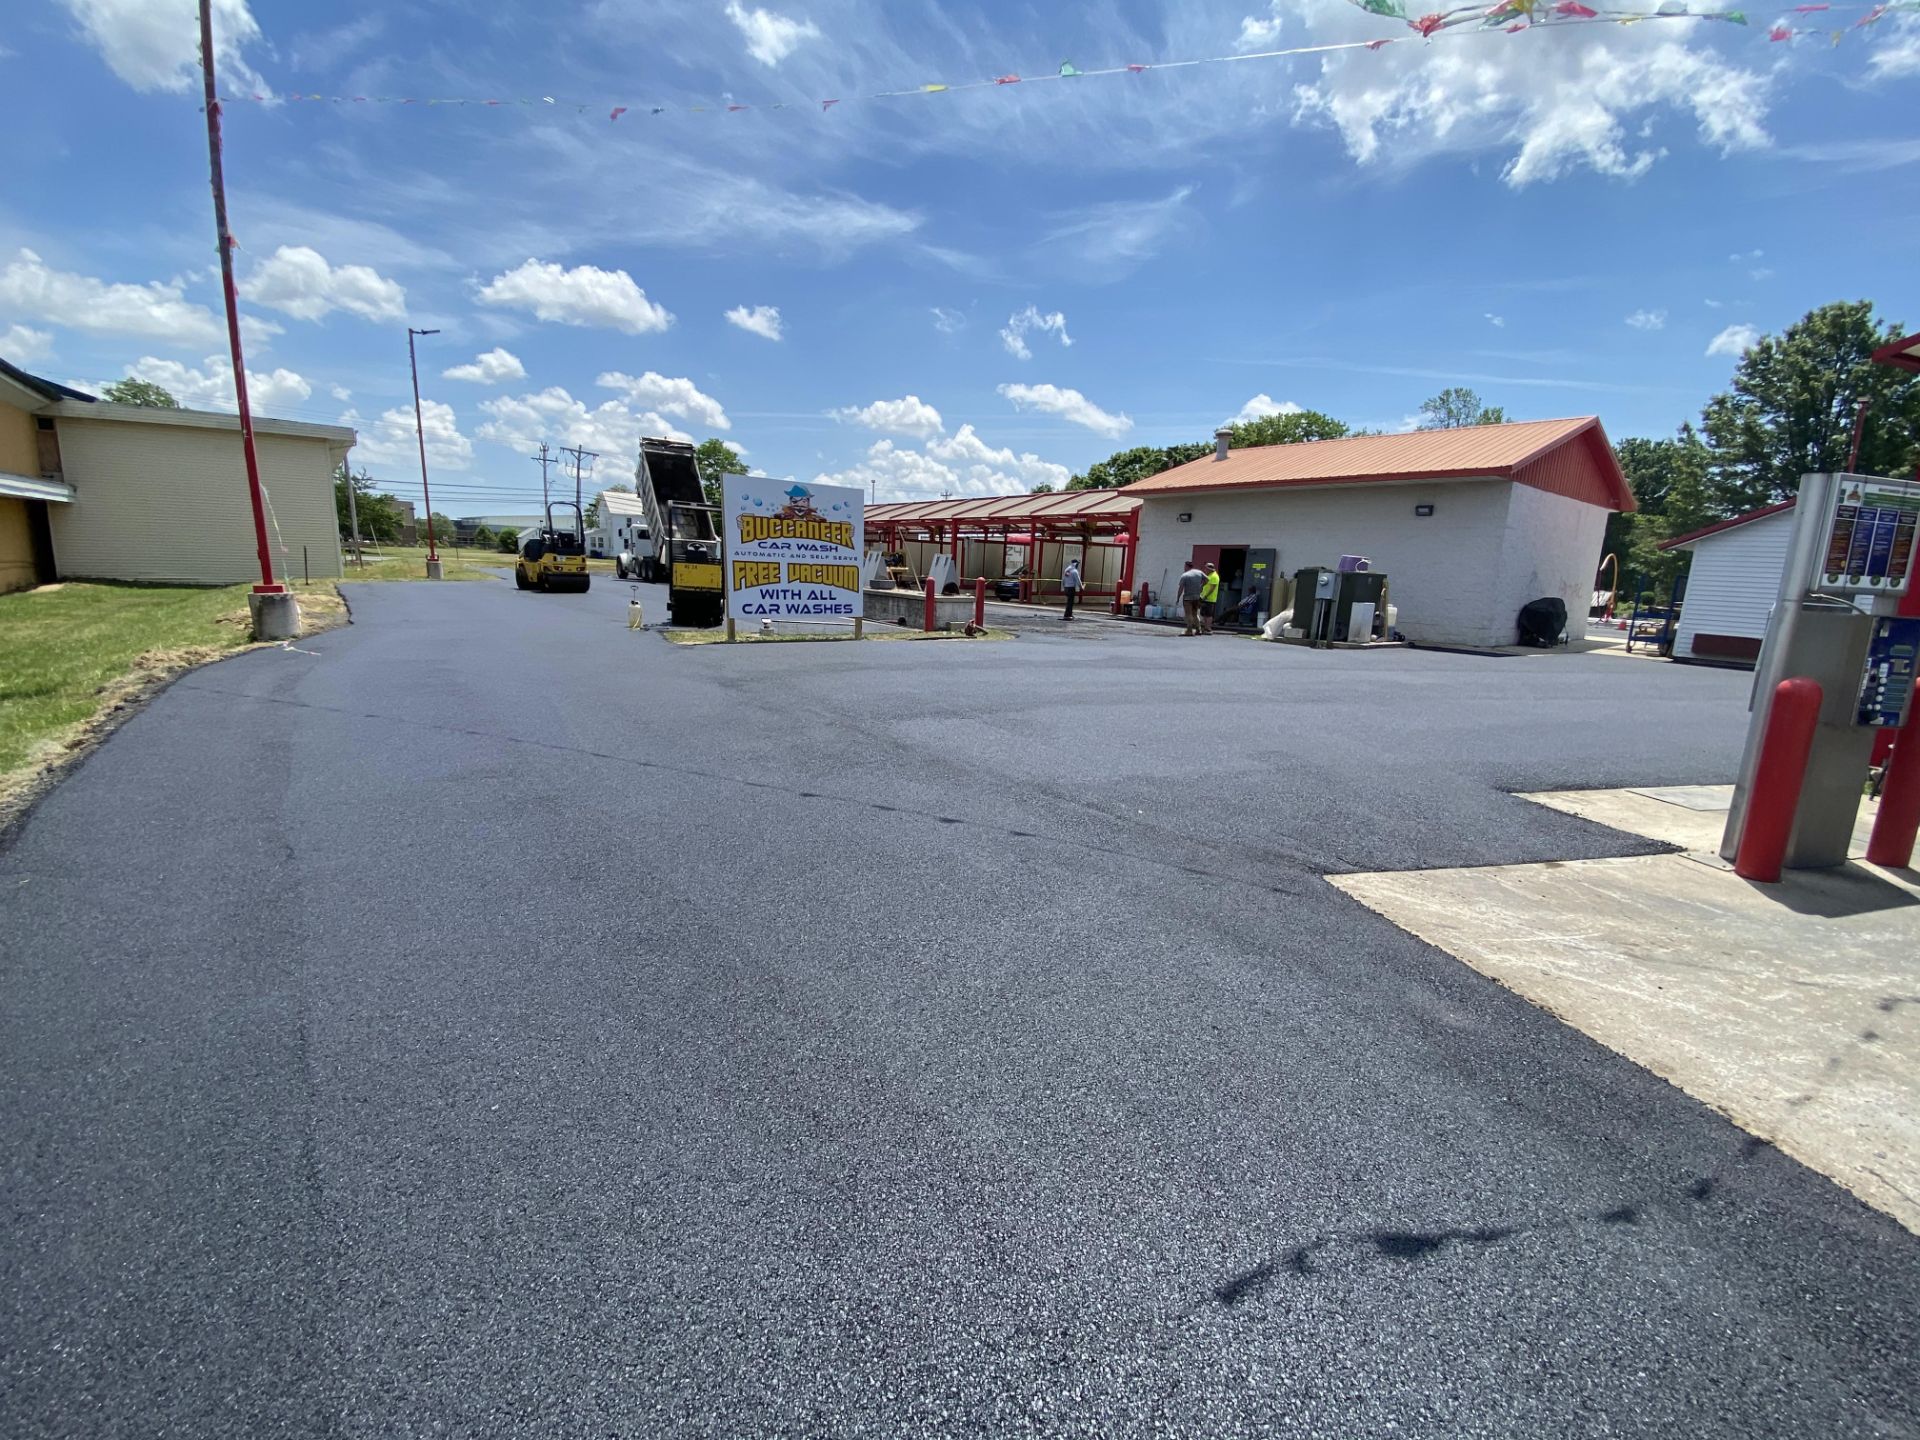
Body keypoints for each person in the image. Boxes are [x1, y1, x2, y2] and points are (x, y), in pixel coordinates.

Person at [1177, 560, 1206, 636]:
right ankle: (1198, 629)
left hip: (1187, 598)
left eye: (1184, 566)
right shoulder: (1199, 572)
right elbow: (1207, 579)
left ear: (1186, 566)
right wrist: (1201, 586)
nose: (1184, 568)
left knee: (1188, 614)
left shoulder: (1185, 575)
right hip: (1197, 597)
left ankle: (1189, 630)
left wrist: (1178, 597)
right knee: (1195, 614)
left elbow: (1181, 588)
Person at [1199, 562, 1221, 634]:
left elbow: (1212, 588)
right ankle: (1204, 628)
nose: (1205, 570)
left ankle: (1208, 629)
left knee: (1208, 614)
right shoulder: (1209, 575)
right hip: (1204, 597)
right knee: (1203, 613)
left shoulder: (1214, 576)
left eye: (1206, 568)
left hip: (1209, 599)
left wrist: (1206, 596)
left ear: (1210, 569)